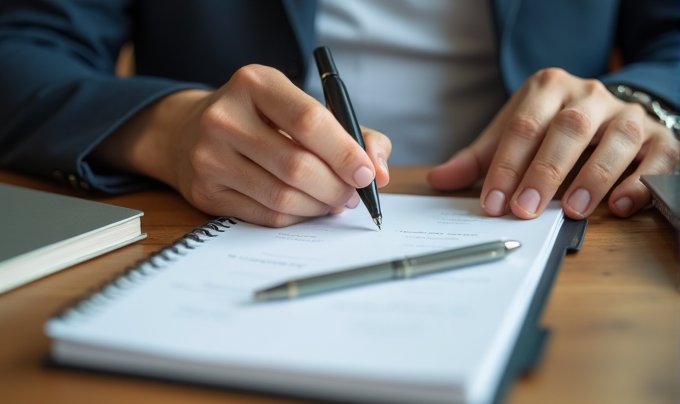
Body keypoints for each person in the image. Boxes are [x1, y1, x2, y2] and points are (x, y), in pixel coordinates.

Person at [0, 0, 678, 227]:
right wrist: (166, 129)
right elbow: (22, 46)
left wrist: (641, 106)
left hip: (560, 211)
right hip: (206, 215)